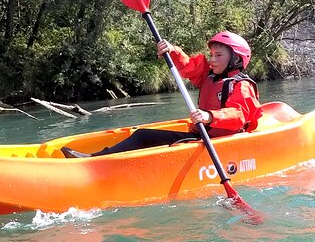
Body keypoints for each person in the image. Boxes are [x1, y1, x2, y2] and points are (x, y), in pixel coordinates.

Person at [61, 31, 263, 158]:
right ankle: (100, 158)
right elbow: (188, 67)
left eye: (219, 55)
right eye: (211, 55)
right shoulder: (209, 75)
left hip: (223, 142)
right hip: (201, 136)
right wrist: (172, 50)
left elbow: (239, 115)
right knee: (143, 135)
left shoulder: (242, 85)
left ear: (236, 59)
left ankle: (95, 160)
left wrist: (210, 116)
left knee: (143, 136)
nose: (212, 60)